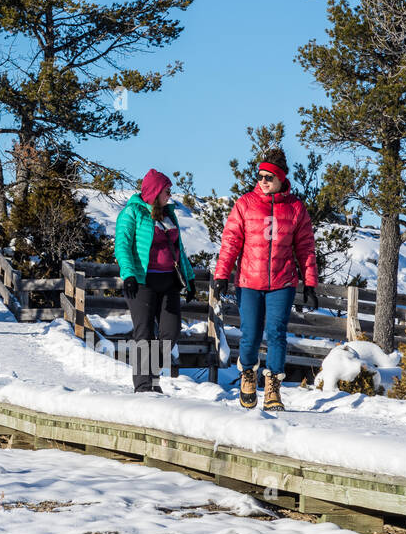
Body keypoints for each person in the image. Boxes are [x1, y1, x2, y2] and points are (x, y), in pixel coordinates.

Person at [212, 148, 318, 411]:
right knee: (250, 334)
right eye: (259, 176)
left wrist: (310, 282)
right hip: (249, 281)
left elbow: (305, 247)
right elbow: (231, 241)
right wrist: (222, 274)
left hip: (282, 283)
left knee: (277, 334)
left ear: (281, 178)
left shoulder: (295, 209)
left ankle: (273, 387)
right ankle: (248, 374)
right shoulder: (245, 204)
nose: (263, 181)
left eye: (268, 177)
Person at [114, 169, 196, 393]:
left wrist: (189, 279)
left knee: (171, 332)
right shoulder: (132, 213)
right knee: (145, 332)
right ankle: (144, 386)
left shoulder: (169, 214)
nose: (170, 195)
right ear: (155, 191)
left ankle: (151, 373)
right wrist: (128, 274)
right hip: (142, 281)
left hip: (169, 281)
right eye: (167, 191)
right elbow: (122, 247)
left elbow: (178, 249)